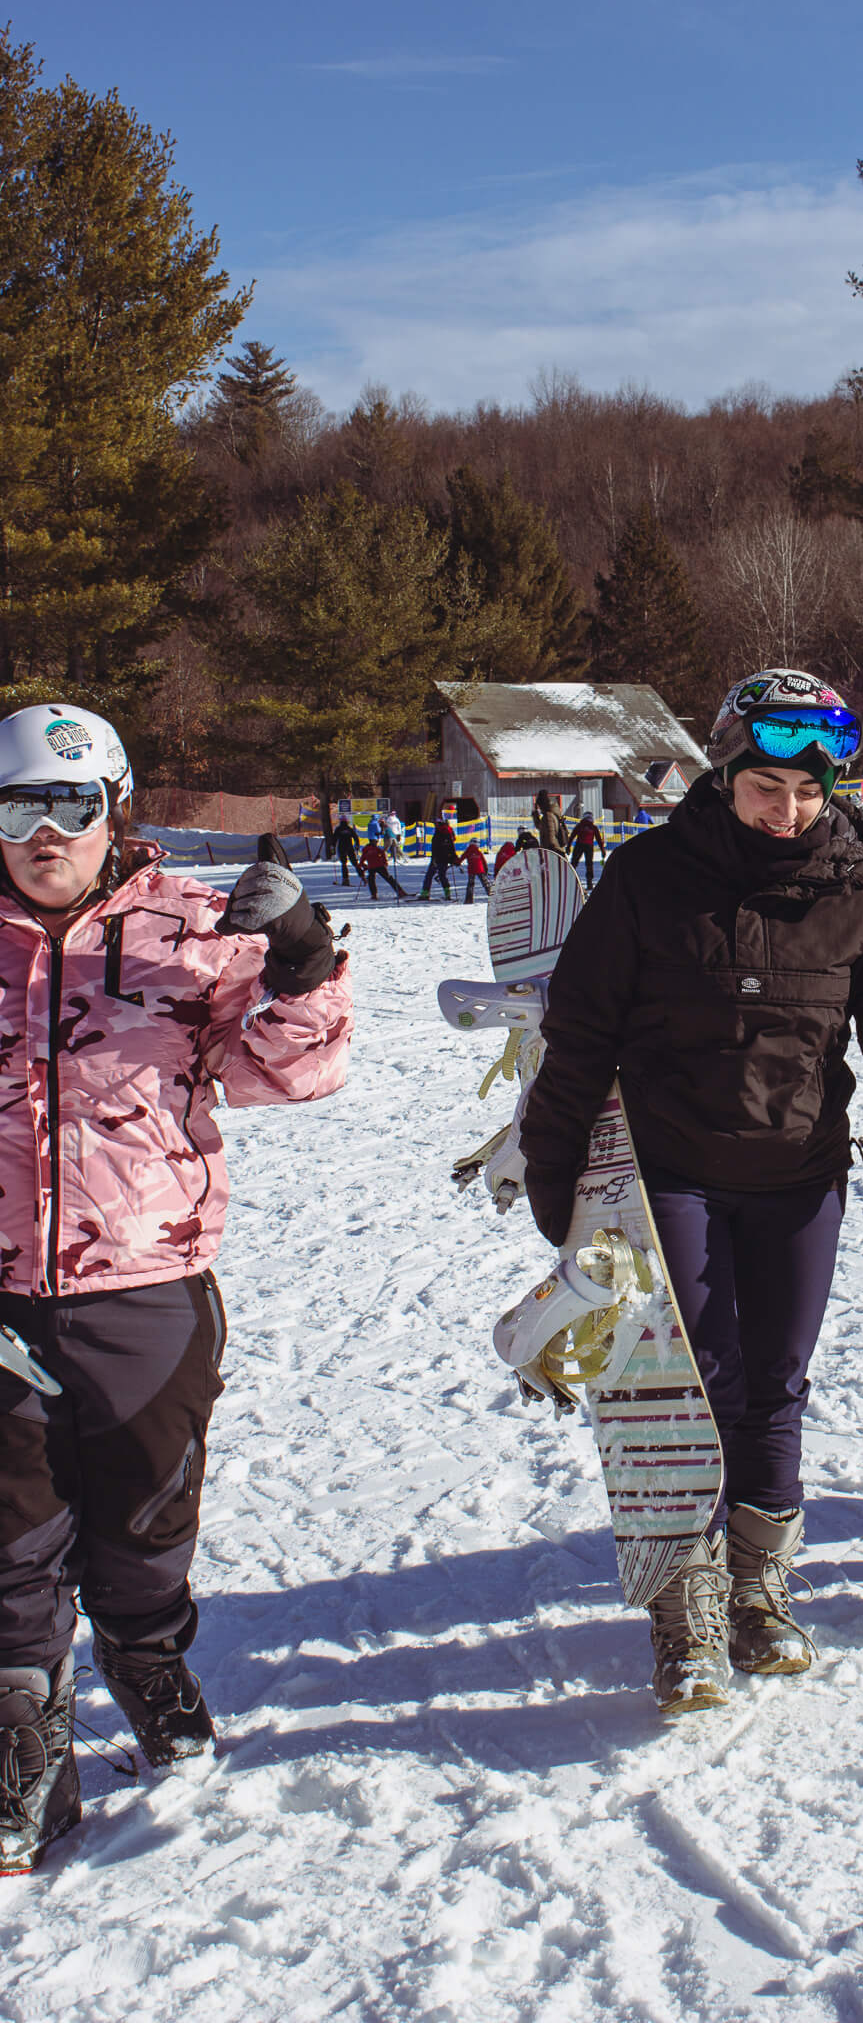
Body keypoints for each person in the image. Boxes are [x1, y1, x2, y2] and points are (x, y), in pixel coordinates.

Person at [519, 670, 863, 1714]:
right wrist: (558, 1179)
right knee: (692, 1383)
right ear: (725, 775)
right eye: (768, 787)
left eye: (808, 792)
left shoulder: (858, 886)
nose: (788, 809)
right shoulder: (647, 877)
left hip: (799, 1176)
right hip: (671, 1172)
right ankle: (685, 1603)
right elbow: (579, 1034)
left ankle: (758, 1586)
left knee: (774, 1380)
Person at [0, 703, 353, 1874]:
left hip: (148, 1284)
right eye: (18, 807)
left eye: (71, 806)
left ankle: (146, 1658)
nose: (45, 834)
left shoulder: (192, 929)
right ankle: (23, 1742)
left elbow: (291, 1072)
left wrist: (300, 959)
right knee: (10, 1534)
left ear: (115, 809)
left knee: (147, 1518)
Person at [419, 817, 459, 900]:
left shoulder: (440, 832)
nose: (435, 825)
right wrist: (453, 857)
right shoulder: (447, 831)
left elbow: (436, 847)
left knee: (430, 875)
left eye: (436, 824)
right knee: (441, 876)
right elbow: (451, 846)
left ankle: (425, 893)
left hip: (438, 858)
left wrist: (434, 858)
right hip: (444, 858)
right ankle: (447, 894)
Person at [568, 810, 606, 888]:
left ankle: (570, 880)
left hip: (579, 845)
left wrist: (568, 846)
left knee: (574, 863)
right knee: (589, 865)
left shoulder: (580, 825)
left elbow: (572, 836)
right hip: (589, 846)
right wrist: (602, 850)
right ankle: (589, 883)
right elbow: (599, 839)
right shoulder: (593, 827)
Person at [531, 789, 568, 855]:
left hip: (553, 852)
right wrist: (535, 815)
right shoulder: (551, 814)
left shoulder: (548, 817)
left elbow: (550, 837)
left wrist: (552, 851)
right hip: (554, 850)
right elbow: (542, 828)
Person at [459, 838, 491, 903]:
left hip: (471, 870)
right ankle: (492, 895)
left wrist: (456, 862)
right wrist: (486, 869)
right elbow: (484, 861)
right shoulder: (478, 851)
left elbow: (461, 858)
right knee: (485, 883)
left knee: (470, 885)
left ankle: (469, 900)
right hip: (480, 869)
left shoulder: (468, 851)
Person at [334, 814, 361, 884]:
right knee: (354, 862)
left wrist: (332, 848)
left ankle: (345, 879)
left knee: (344, 863)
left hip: (341, 847)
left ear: (340, 821)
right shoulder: (349, 829)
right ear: (346, 821)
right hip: (349, 847)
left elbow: (334, 839)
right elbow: (356, 837)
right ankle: (362, 876)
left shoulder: (338, 829)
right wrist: (357, 845)